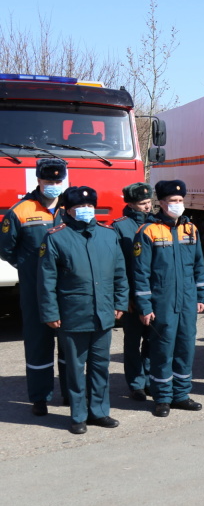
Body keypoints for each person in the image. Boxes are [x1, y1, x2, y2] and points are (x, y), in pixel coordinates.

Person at [38, 186, 128, 434]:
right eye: (80, 207)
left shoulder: (108, 235)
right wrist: (51, 313)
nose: (86, 210)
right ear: (68, 210)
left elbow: (120, 273)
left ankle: (99, 412)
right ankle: (78, 415)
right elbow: (46, 281)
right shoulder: (56, 237)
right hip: (73, 315)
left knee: (100, 366)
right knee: (76, 370)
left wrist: (120, 302)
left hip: (103, 315)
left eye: (89, 206)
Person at [133, 180, 204, 417]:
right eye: (172, 201)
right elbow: (141, 273)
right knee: (162, 351)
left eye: (180, 201)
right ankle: (162, 398)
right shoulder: (147, 231)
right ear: (162, 203)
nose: (177, 204)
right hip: (162, 303)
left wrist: (202, 295)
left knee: (185, 348)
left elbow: (199, 266)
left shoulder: (191, 230)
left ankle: (181, 395)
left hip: (187, 301)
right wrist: (144, 306)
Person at [0, 158, 68, 416]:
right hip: (35, 289)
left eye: (57, 181)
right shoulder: (20, 210)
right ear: (38, 180)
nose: (53, 185)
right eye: (48, 180)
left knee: (68, 344)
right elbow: (6, 248)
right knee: (38, 343)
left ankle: (69, 393)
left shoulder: (69, 207)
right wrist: (29, 268)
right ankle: (40, 397)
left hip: (67, 288)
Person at [112, 182, 155, 401]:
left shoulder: (157, 223)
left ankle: (149, 380)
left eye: (149, 202)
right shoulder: (120, 226)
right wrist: (124, 297)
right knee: (133, 341)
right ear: (130, 204)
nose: (147, 207)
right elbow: (118, 266)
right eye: (142, 204)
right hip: (132, 295)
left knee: (152, 340)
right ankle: (136, 384)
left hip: (154, 294)